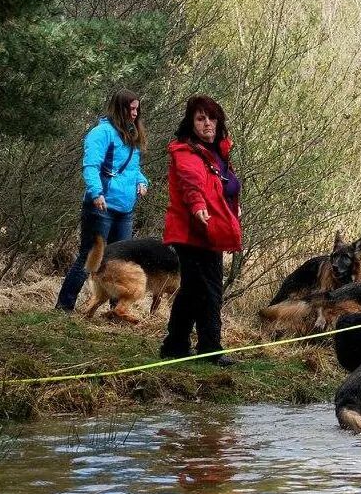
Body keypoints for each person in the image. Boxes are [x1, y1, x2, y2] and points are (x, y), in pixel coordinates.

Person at [160, 95, 243, 365]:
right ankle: (209, 349)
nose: (207, 123)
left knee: (195, 290)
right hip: (191, 230)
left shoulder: (219, 151)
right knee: (205, 291)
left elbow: (225, 187)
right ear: (191, 123)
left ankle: (175, 346)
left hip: (212, 230)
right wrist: (197, 206)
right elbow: (191, 183)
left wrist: (234, 207)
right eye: (200, 118)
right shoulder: (186, 151)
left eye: (211, 118)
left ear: (219, 121)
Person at [55, 89, 150, 311]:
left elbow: (132, 169)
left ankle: (117, 310)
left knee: (120, 261)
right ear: (119, 109)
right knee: (90, 257)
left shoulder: (131, 135)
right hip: (101, 206)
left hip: (125, 208)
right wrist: (96, 193)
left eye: (137, 109)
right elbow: (91, 165)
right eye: (131, 108)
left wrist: (142, 181)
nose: (135, 113)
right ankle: (64, 306)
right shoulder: (101, 133)